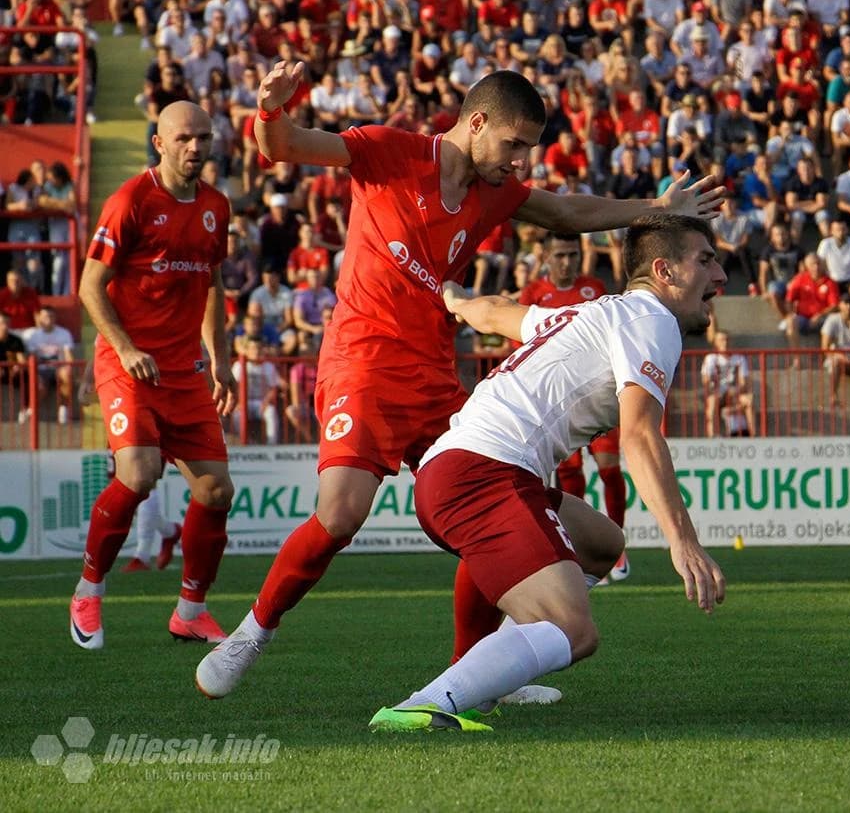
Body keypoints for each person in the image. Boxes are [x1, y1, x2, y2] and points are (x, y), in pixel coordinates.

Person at [195, 67, 721, 699]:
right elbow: (286, 146)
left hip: (436, 374)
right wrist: (270, 111)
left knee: (490, 506)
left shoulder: (495, 190)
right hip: (363, 359)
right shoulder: (389, 151)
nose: (522, 162)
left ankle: (480, 669)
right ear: (476, 124)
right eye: (514, 145)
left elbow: (565, 211)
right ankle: (253, 631)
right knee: (341, 513)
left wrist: (657, 209)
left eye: (531, 149)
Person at [368, 214, 727, 732]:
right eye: (706, 260)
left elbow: (495, 313)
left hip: (463, 468)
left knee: (602, 544)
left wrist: (453, 299)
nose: (719, 276)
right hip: (482, 475)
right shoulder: (652, 321)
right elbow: (640, 436)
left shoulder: (593, 313)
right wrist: (683, 540)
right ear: (664, 270)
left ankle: (494, 672)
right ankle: (426, 705)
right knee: (573, 630)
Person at [73, 101, 237, 651]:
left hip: (186, 369)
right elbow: (90, 286)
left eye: (204, 137)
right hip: (130, 365)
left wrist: (221, 358)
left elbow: (213, 284)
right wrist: (123, 347)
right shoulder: (130, 202)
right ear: (159, 143)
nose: (196, 147)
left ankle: (191, 611)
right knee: (140, 474)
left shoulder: (217, 206)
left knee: (215, 490)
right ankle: (88, 591)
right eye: (185, 138)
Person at [518, 233, 629, 581]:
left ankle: (617, 545)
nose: (568, 262)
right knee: (569, 475)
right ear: (547, 258)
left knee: (610, 468)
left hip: (595, 394)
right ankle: (576, 545)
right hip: (557, 399)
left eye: (573, 255)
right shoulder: (533, 294)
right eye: (561, 255)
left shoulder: (593, 287)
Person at [701, 330, 755, 436]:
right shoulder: (711, 358)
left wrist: (736, 390)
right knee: (712, 402)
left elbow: (744, 382)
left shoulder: (739, 358)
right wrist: (714, 391)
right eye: (721, 340)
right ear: (715, 343)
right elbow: (706, 381)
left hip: (734, 392)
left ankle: (754, 435)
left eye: (727, 340)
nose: (724, 343)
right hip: (717, 393)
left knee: (749, 401)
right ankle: (712, 436)